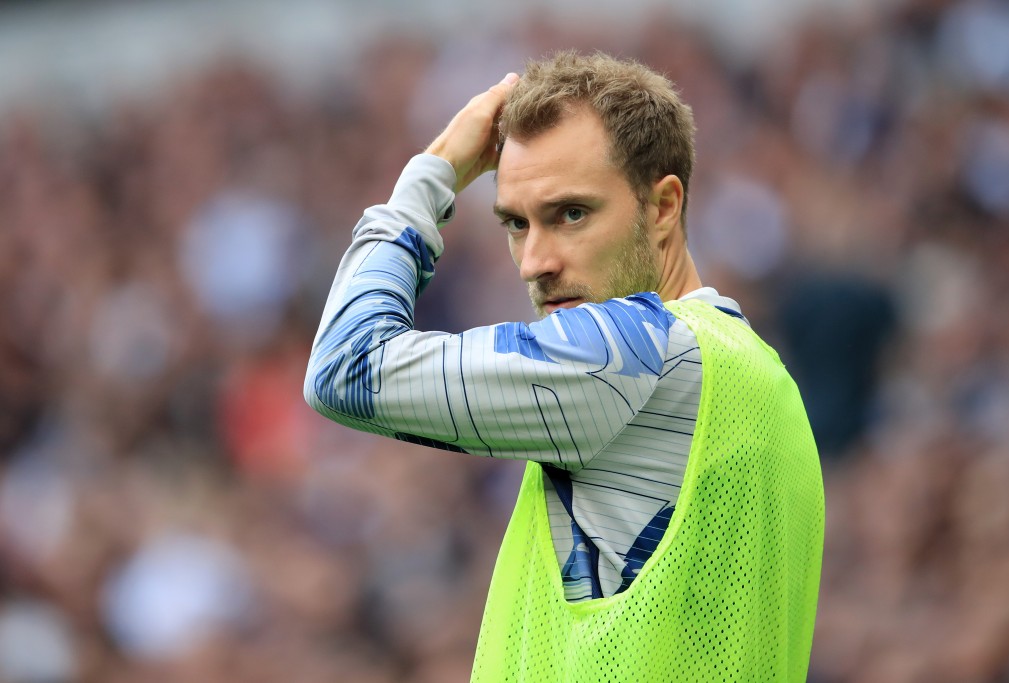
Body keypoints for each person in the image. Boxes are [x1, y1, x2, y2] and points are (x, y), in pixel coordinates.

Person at [304, 51, 824, 681]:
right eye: (516, 224)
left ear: (662, 206)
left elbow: (345, 366)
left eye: (570, 214)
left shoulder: (628, 355)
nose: (534, 262)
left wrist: (432, 174)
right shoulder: (759, 374)